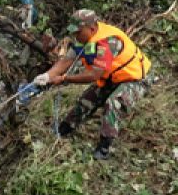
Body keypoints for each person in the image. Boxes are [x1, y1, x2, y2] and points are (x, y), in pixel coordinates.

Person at [33, 9, 153, 160]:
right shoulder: (83, 39)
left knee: (113, 104)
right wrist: (47, 76)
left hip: (135, 78)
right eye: (74, 32)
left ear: (91, 28)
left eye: (78, 32)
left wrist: (64, 79)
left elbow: (94, 75)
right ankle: (62, 130)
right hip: (113, 76)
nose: (75, 36)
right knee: (86, 100)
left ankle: (104, 147)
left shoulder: (108, 43)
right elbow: (67, 60)